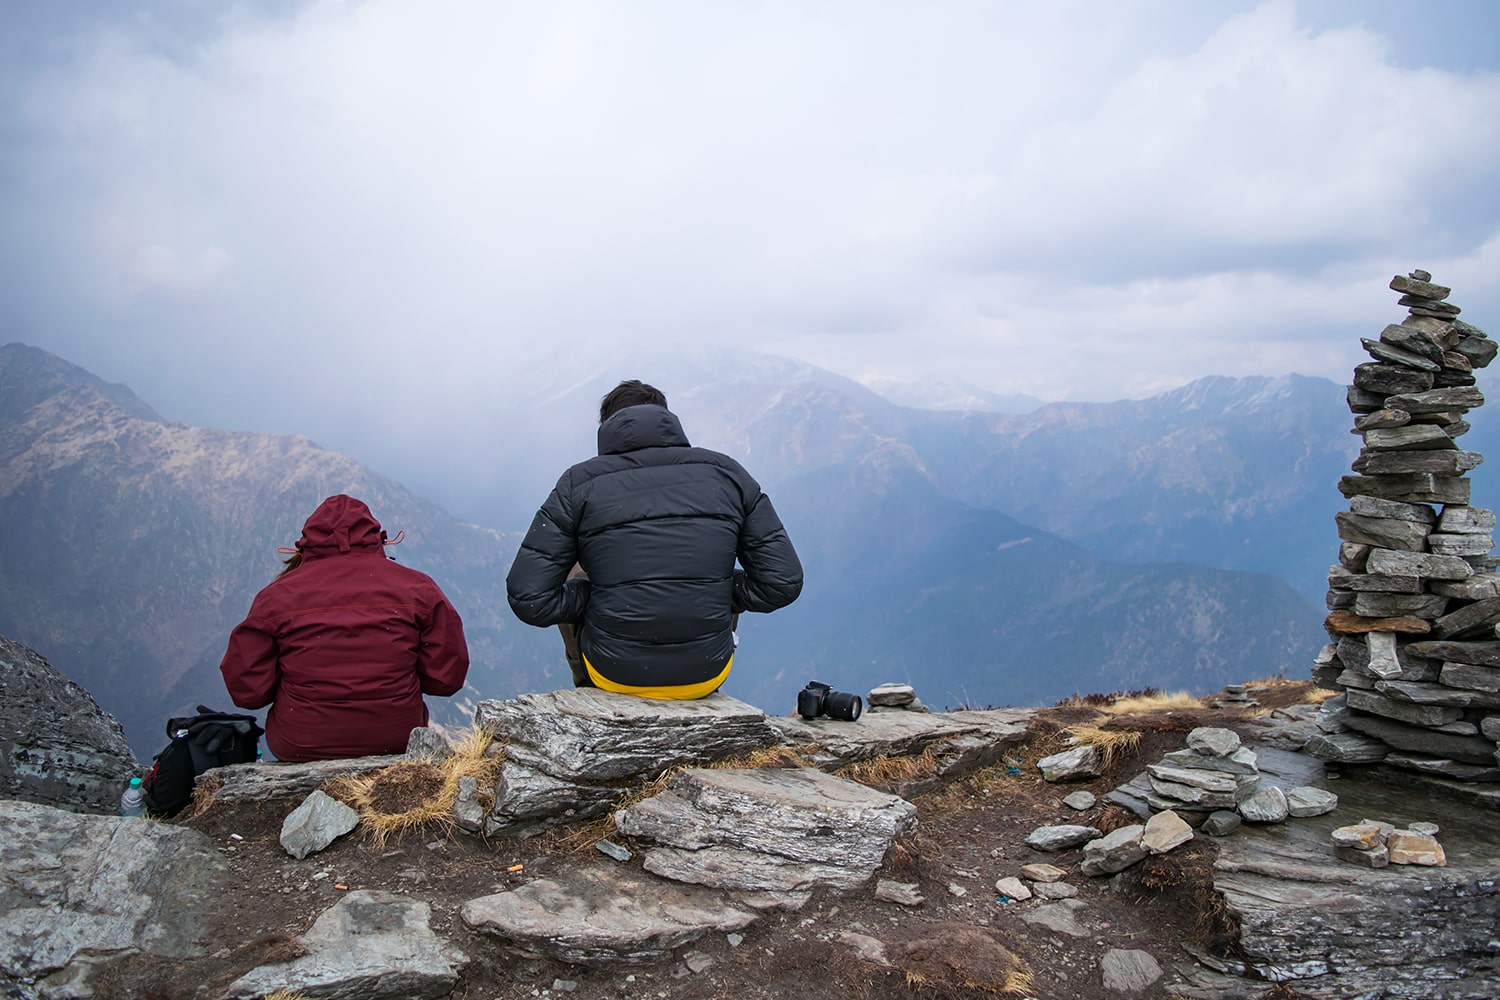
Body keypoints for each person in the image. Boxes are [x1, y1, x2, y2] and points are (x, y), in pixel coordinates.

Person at [506, 379, 803, 698]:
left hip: (613, 673)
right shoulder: (728, 473)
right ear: (666, 419)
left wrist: (599, 596)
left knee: (574, 569)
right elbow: (780, 582)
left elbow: (530, 598)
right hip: (706, 671)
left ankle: (587, 686)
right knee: (712, 565)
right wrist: (710, 590)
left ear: (607, 426)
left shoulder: (578, 483)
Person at [220, 494, 470, 761]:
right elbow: (446, 679)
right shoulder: (418, 588)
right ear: (379, 539)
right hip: (397, 737)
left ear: (304, 545)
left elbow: (248, 691)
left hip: (301, 741)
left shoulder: (275, 597)